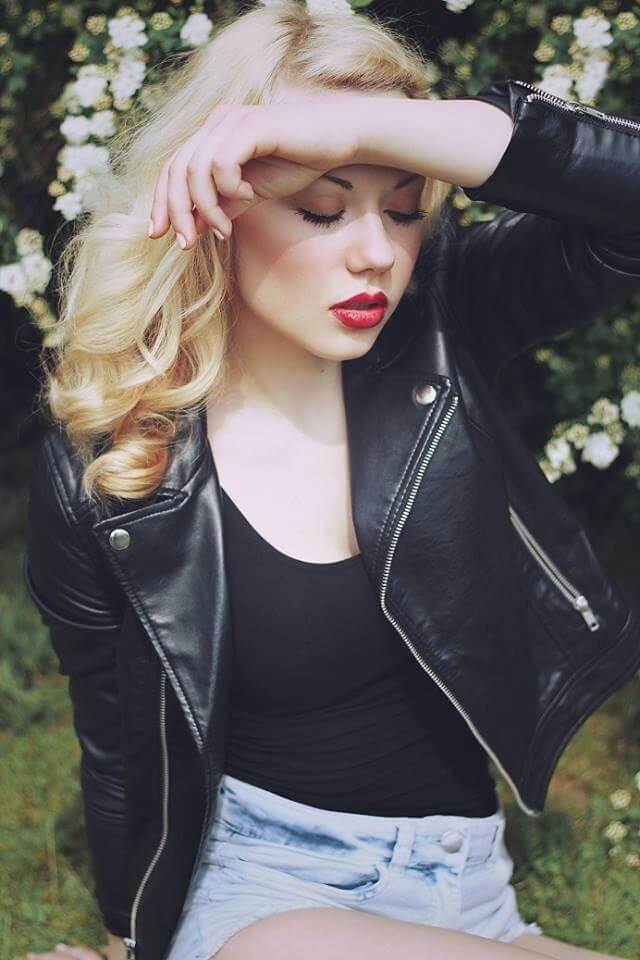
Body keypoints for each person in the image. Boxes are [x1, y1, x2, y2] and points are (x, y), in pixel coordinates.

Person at [23, 2, 640, 959]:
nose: (377, 253)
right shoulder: (112, 469)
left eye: (404, 206)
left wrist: (364, 126)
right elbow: (120, 748)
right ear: (213, 208)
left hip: (470, 892)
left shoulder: (445, 324)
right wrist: (122, 940)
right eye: (322, 207)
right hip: (265, 901)